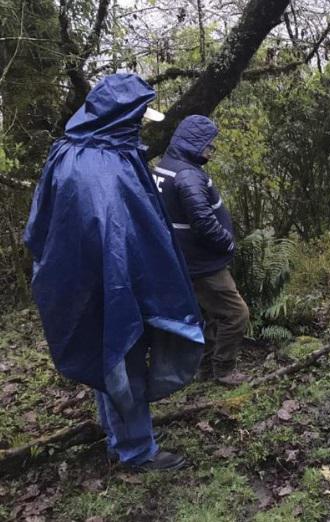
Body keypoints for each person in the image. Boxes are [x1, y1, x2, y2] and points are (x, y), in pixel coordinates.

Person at [24, 74, 206, 471]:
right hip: (107, 281)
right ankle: (137, 450)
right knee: (121, 351)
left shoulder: (70, 152)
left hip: (81, 278)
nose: (141, 126)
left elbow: (45, 225)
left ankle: (120, 437)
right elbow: (112, 230)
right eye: (139, 117)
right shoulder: (102, 165)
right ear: (121, 116)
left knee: (108, 353)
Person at [154, 115, 250, 386]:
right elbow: (203, 221)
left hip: (183, 259)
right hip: (203, 263)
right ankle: (224, 369)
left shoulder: (164, 167)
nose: (211, 150)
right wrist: (227, 242)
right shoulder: (187, 175)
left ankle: (205, 368)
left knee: (208, 313)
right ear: (193, 143)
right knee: (236, 313)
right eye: (208, 144)